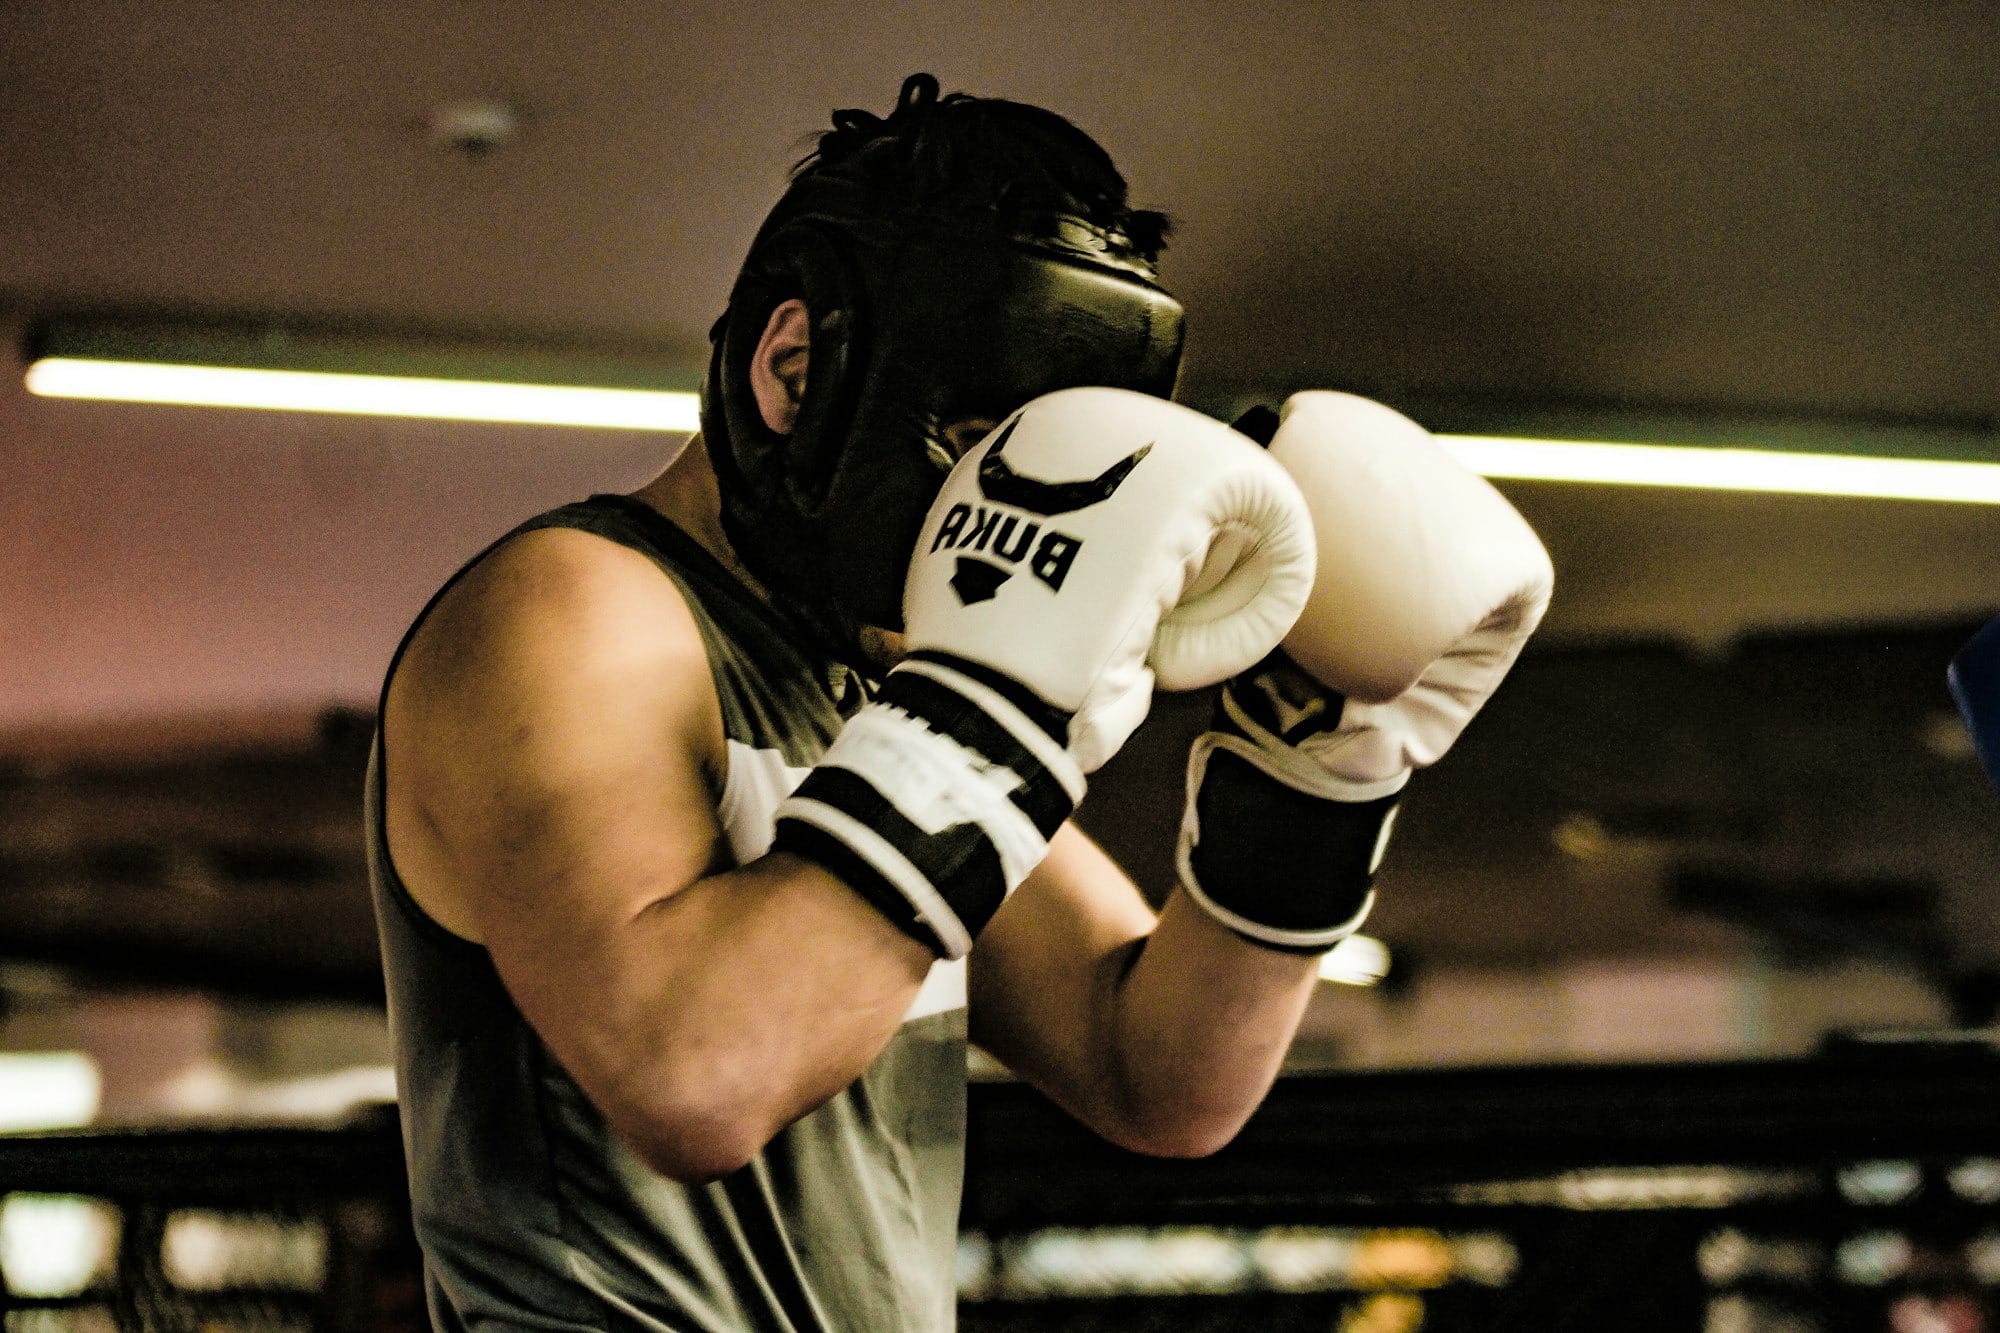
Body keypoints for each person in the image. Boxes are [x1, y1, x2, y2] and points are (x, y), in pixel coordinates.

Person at [366, 73, 1552, 1332]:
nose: (1011, 520)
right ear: (794, 369)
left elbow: (1154, 1075)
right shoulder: (572, 609)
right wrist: (993, 713)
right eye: (988, 451)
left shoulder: (879, 696)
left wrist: (1318, 765)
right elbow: (692, 1076)